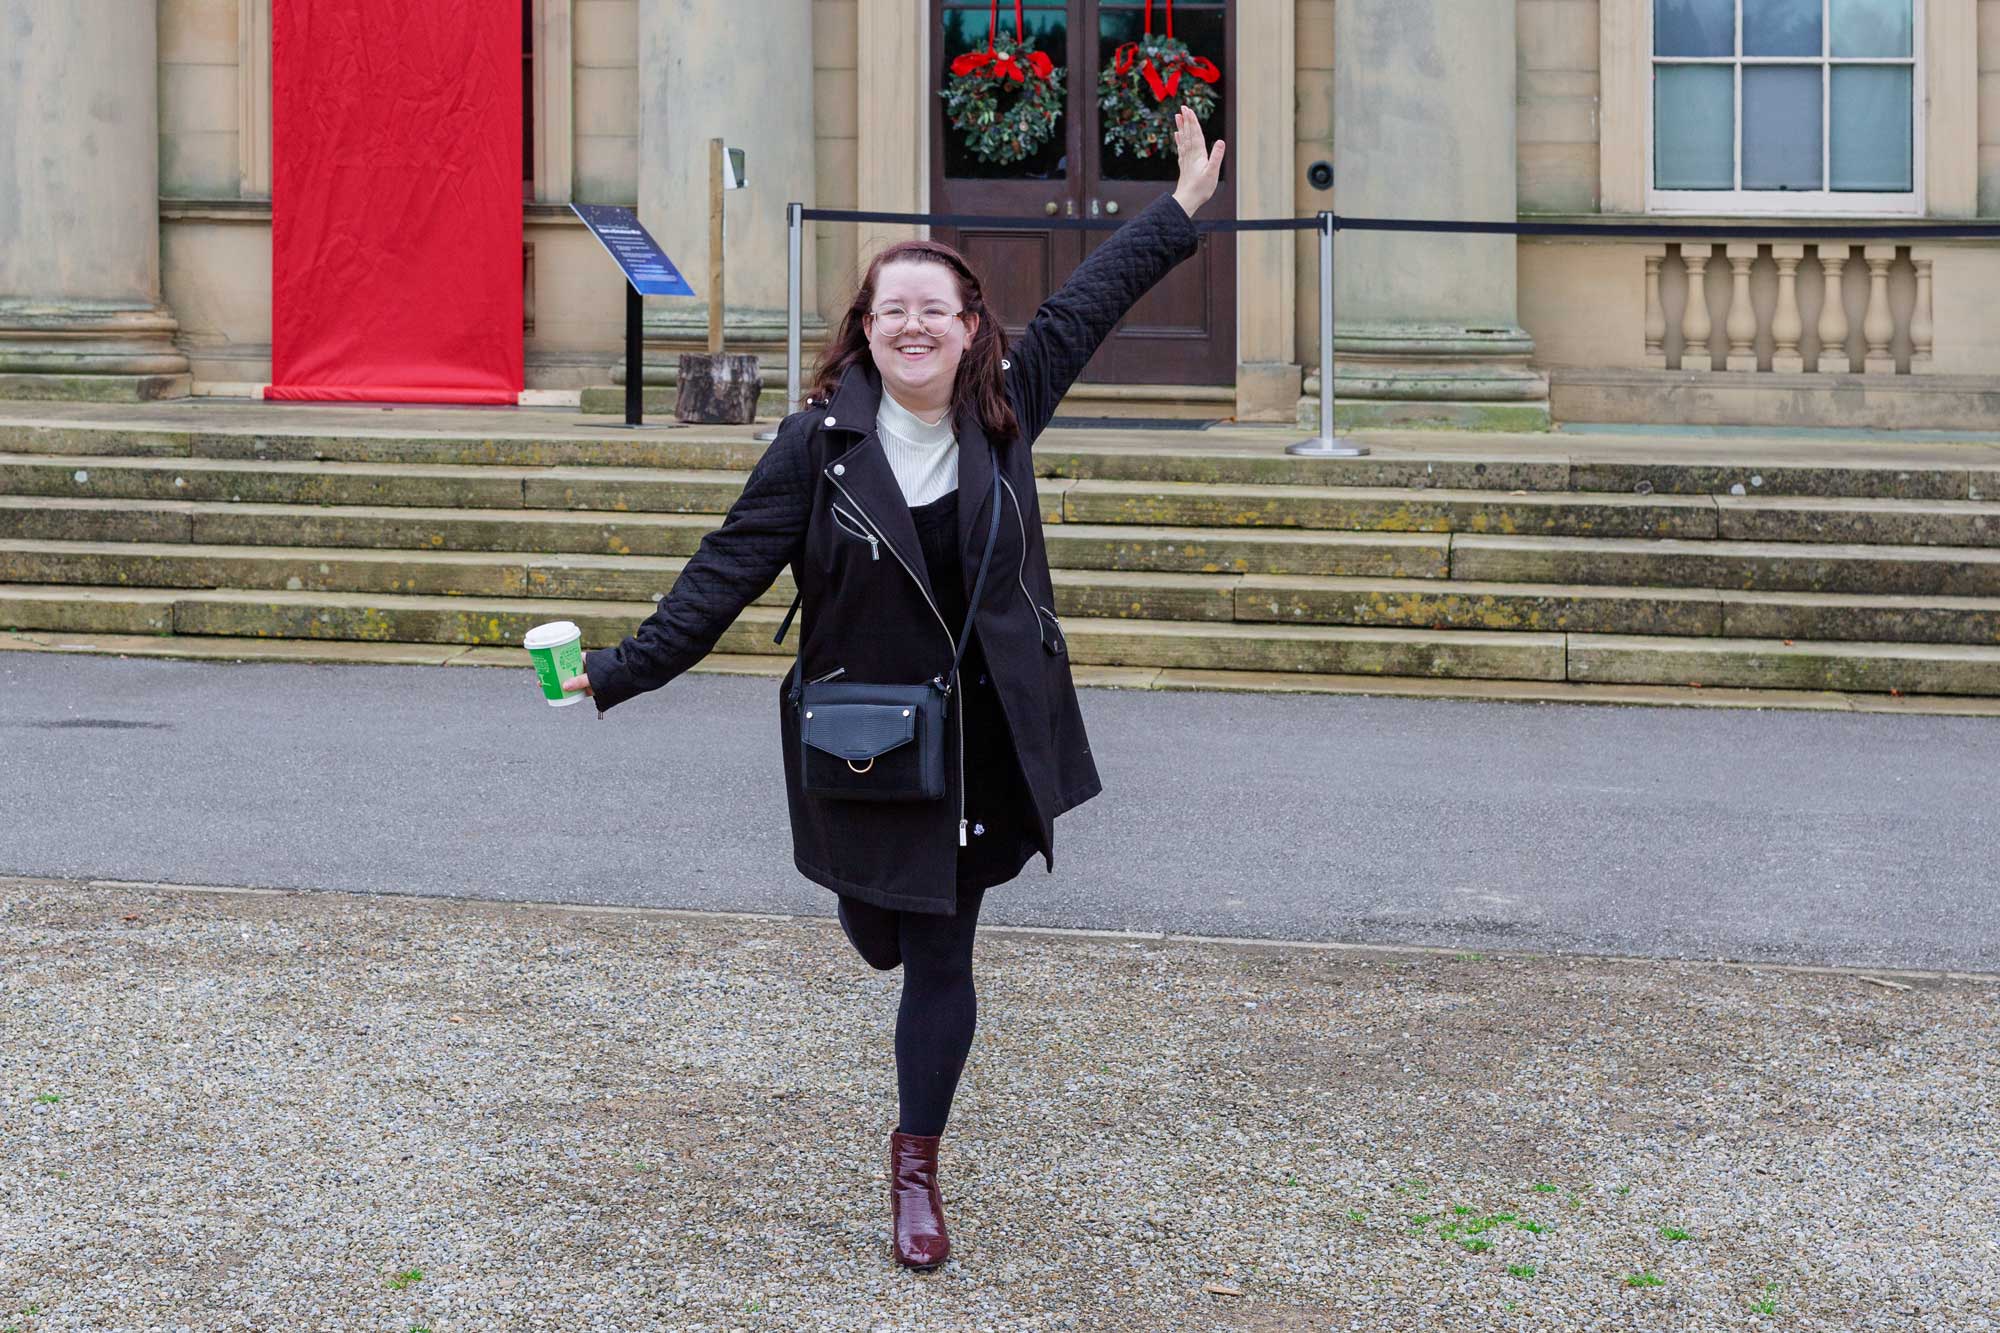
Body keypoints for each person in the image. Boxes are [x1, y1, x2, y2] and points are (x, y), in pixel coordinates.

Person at [563, 108, 1225, 1270]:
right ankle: (869, 907)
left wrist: (1174, 208)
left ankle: (915, 1168)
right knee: (877, 930)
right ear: (863, 333)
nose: (912, 323)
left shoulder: (1006, 408)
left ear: (971, 330)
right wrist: (615, 673)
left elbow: (1092, 295)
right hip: (864, 739)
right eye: (891, 308)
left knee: (941, 950)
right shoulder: (815, 446)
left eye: (935, 307)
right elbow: (720, 574)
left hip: (980, 736)